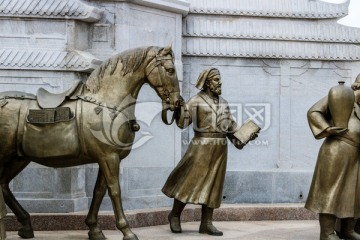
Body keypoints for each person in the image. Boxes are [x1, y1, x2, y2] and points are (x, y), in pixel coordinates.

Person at [162, 68, 256, 236]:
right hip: (200, 147)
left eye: (219, 80)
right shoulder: (195, 101)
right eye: (216, 80)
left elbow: (231, 129)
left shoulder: (224, 103)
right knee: (187, 181)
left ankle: (206, 223)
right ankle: (175, 215)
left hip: (220, 149)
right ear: (206, 83)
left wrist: (246, 136)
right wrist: (178, 109)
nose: (219, 83)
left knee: (214, 185)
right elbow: (183, 123)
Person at [306, 74, 360, 240]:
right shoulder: (341, 95)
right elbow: (314, 111)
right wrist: (327, 128)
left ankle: (347, 229)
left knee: (353, 193)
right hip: (336, 150)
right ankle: (327, 232)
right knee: (331, 192)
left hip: (356, 155)